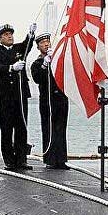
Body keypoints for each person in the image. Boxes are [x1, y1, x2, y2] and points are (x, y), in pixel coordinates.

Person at [0, 22, 37, 171]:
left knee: (22, 127)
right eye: (6, 35)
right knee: (7, 128)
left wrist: (31, 34)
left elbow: (27, 45)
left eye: (11, 34)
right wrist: (11, 68)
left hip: (20, 94)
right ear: (0, 38)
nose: (10, 37)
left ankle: (21, 160)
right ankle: (9, 160)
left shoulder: (18, 49)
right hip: (6, 96)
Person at [30, 32, 69, 169]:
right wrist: (45, 64)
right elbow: (38, 79)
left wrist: (55, 59)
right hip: (47, 100)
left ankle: (61, 159)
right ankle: (50, 160)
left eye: (47, 42)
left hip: (60, 98)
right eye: (42, 43)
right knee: (48, 129)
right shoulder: (37, 64)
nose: (46, 44)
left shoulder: (58, 61)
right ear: (38, 47)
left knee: (61, 129)